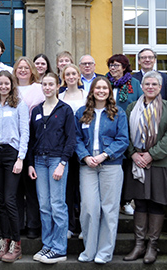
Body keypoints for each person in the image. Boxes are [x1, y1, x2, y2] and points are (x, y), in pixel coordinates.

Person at [123, 71, 167, 264]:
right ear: (142, 86)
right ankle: (139, 245)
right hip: (137, 162)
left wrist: (150, 154)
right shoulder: (132, 107)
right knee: (140, 203)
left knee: (156, 203)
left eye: (154, 84)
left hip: (158, 164)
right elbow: (126, 135)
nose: (150, 87)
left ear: (160, 87)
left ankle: (152, 246)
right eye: (147, 84)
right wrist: (133, 153)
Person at [75, 77, 129, 264]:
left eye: (104, 88)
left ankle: (104, 253)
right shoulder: (82, 113)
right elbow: (76, 138)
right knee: (89, 208)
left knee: (109, 209)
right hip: (88, 165)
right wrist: (85, 156)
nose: (101, 91)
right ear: (92, 91)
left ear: (109, 91)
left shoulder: (118, 113)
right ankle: (89, 251)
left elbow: (123, 140)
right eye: (98, 87)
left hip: (111, 165)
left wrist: (105, 155)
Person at [27, 72, 76, 264]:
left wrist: (63, 163)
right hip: (39, 161)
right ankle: (47, 245)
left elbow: (71, 139)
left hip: (57, 161)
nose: (47, 88)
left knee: (57, 205)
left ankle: (59, 248)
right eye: (44, 84)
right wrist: (30, 163)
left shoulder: (65, 110)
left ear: (58, 86)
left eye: (51, 84)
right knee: (44, 206)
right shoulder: (36, 110)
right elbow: (32, 139)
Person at [0, 70, 29, 263]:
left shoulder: (19, 104)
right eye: (0, 84)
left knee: (11, 199)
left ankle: (17, 244)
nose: (3, 87)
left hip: (12, 154)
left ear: (12, 85)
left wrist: (20, 158)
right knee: (1, 200)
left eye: (7, 83)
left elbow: (24, 132)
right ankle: (5, 240)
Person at [105, 54, 143, 216]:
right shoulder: (104, 83)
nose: (113, 68)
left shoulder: (133, 84)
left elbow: (141, 106)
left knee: (126, 167)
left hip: (126, 130)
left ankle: (125, 201)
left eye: (117, 65)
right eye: (111, 65)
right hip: (106, 131)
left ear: (125, 67)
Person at [13, 56, 44, 239]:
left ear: (32, 70)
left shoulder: (38, 89)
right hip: (13, 141)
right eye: (19, 67)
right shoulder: (10, 88)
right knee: (15, 188)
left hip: (34, 139)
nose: (23, 70)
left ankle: (33, 224)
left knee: (31, 186)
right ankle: (17, 224)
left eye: (26, 67)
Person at [58, 63, 86, 239]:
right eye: (67, 74)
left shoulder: (86, 95)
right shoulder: (60, 96)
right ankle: (69, 225)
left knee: (83, 188)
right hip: (65, 146)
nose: (70, 76)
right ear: (64, 77)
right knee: (67, 189)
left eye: (73, 73)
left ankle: (84, 226)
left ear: (78, 76)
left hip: (83, 145)